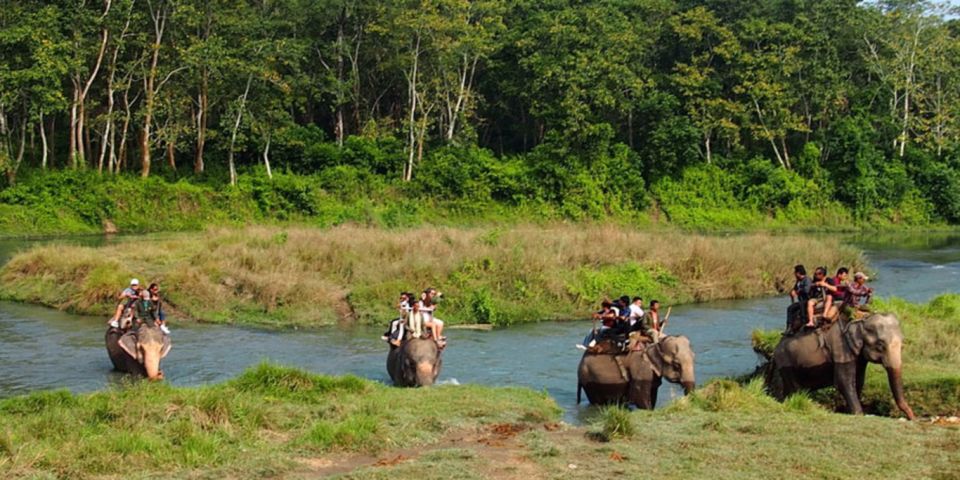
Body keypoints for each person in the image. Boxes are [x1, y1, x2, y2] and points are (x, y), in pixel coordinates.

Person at [786, 265, 811, 331]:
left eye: (795, 272)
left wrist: (797, 291)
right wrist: (792, 292)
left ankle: (803, 322)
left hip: (807, 300)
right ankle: (789, 326)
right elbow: (794, 289)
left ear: (798, 273)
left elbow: (807, 290)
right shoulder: (798, 281)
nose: (794, 274)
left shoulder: (807, 280)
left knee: (801, 304)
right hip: (801, 301)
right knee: (790, 308)